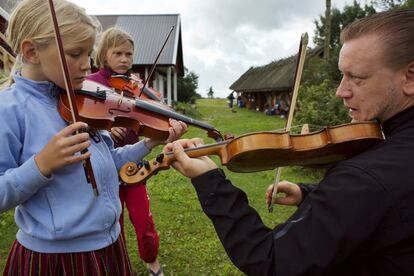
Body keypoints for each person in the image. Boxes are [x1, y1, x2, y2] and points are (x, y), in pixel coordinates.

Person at [163, 8, 414, 275]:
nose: (341, 90)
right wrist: (310, 193)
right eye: (342, 75)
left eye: (357, 77)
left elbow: (270, 261)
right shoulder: (380, 170)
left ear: (409, 77)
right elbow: (387, 206)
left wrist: (209, 180)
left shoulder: (363, 178)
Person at [0, 1, 186, 275]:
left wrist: (148, 143)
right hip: (56, 259)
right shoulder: (9, 109)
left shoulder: (80, 100)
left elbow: (108, 160)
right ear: (31, 51)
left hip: (109, 245)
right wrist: (41, 165)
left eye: (89, 54)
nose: (87, 66)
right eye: (76, 53)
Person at [87, 27, 164, 276]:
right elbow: (82, 117)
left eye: (128, 54)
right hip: (105, 165)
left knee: (144, 219)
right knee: (113, 219)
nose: (124, 59)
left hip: (134, 162)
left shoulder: (134, 85)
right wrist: (106, 128)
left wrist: (161, 115)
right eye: (118, 53)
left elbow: (147, 119)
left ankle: (151, 259)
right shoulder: (91, 84)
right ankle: (116, 263)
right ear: (104, 54)